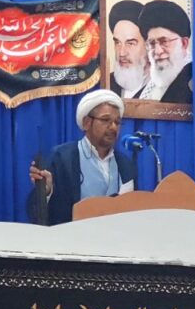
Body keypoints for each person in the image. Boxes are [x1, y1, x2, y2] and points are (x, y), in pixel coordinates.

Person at [28, 89, 136, 224]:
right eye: (105, 120)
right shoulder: (62, 158)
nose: (113, 127)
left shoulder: (125, 164)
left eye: (117, 122)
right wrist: (45, 193)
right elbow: (37, 214)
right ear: (86, 122)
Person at [138, 0, 193, 104]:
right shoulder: (147, 90)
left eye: (164, 41)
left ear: (184, 43)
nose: (157, 51)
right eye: (152, 43)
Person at [107, 0, 149, 99]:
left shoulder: (165, 88)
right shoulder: (106, 82)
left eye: (130, 43)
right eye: (117, 42)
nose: (122, 53)